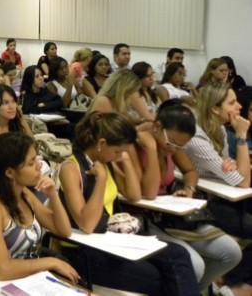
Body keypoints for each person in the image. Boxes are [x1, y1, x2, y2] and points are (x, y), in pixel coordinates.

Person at [58, 112, 200, 296]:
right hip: (85, 252)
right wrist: (101, 180)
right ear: (101, 144)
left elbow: (133, 194)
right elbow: (87, 224)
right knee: (160, 277)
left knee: (178, 254)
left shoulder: (105, 161)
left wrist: (124, 160)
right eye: (117, 151)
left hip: (112, 239)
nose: (120, 155)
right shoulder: (71, 168)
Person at [127, 101, 242, 291]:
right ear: (157, 127)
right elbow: (148, 192)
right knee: (194, 265)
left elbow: (190, 171)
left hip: (171, 216)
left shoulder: (173, 143)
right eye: (171, 143)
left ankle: (191, 290)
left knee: (231, 252)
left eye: (180, 145)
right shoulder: (136, 145)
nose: (174, 149)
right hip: (144, 217)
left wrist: (188, 188)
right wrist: (153, 149)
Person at [0, 132, 78, 282]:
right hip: (0, 287)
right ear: (10, 172)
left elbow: (64, 230)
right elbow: (3, 270)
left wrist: (53, 195)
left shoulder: (24, 194)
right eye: (31, 163)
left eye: (36, 159)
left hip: (31, 280)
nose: (39, 166)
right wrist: (51, 262)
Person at [184, 84, 251, 235]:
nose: (239, 106)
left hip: (224, 191)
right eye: (232, 103)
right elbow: (243, 181)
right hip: (205, 201)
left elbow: (234, 169)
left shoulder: (219, 128)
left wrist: (234, 164)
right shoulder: (196, 138)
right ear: (215, 108)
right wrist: (241, 136)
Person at [88, 68, 155, 127]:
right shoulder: (103, 100)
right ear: (123, 89)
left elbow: (128, 120)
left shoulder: (117, 103)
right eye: (130, 91)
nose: (131, 95)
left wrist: (142, 121)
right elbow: (108, 129)